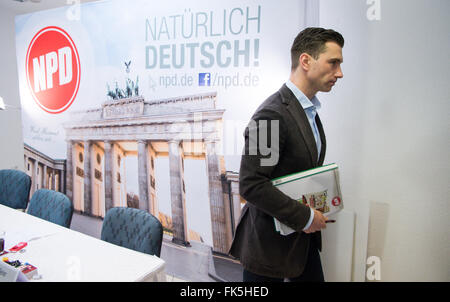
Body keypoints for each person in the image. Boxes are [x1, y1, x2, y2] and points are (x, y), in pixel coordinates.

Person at [229, 27, 344, 282]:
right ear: (305, 61)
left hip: (301, 244)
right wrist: (306, 216)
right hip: (268, 251)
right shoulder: (272, 114)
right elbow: (252, 183)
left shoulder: (308, 111)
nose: (340, 73)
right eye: (333, 62)